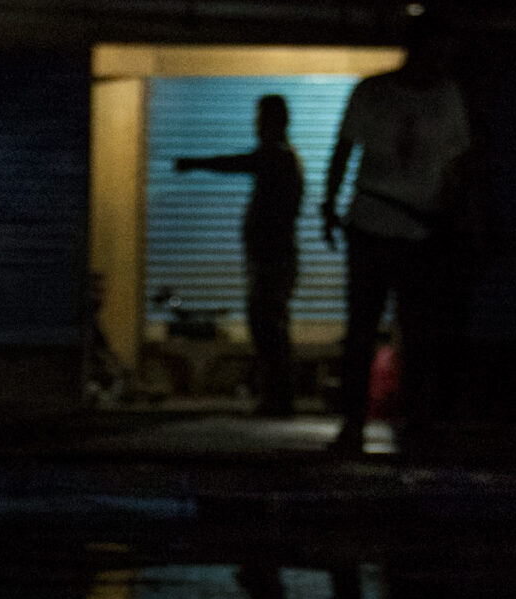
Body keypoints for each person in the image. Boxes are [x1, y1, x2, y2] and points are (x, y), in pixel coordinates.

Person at [319, 11, 480, 455]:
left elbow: (457, 163)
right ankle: (355, 422)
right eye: (435, 52)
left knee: (418, 329)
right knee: (363, 326)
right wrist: (329, 204)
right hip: (373, 221)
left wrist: (459, 214)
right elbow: (344, 149)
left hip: (421, 227)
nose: (440, 62)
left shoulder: (446, 96)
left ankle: (415, 420)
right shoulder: (373, 92)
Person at [174, 93, 306, 417]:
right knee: (269, 326)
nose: (256, 126)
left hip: (271, 260)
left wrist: (194, 164)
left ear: (274, 123)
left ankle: (278, 399)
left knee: (267, 327)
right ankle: (277, 398)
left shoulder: (278, 157)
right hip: (271, 258)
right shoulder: (282, 158)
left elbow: (237, 163)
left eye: (261, 119)